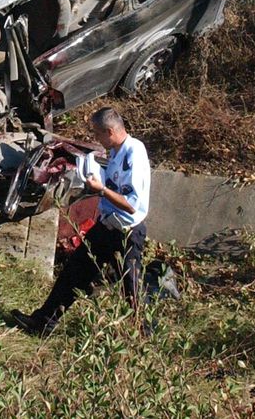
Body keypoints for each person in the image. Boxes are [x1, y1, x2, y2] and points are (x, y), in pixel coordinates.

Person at [11, 106, 150, 336]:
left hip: (126, 233)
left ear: (109, 131)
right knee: (74, 273)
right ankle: (42, 323)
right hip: (106, 225)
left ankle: (143, 335)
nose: (95, 138)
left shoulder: (133, 154)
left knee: (131, 289)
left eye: (97, 133)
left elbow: (133, 204)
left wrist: (102, 190)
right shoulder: (115, 151)